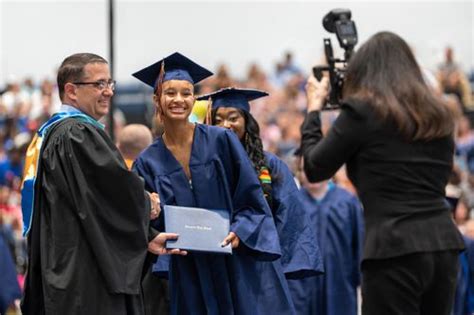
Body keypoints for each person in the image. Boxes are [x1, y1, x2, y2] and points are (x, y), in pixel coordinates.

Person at [300, 31, 465, 314]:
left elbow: (315, 168)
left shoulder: (362, 112)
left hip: (393, 248)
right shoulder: (439, 113)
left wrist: (314, 110)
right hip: (443, 244)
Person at [132, 52, 296, 314]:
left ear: (194, 99)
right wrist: (152, 228)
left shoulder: (221, 141)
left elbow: (250, 197)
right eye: (170, 93)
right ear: (156, 99)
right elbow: (146, 222)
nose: (178, 100)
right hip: (187, 269)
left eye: (186, 93)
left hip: (231, 261)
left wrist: (240, 231)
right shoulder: (147, 162)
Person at [20, 53, 183, 315]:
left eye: (110, 83)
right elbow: (114, 192)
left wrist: (147, 237)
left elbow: (92, 204)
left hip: (62, 269)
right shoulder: (77, 134)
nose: (108, 91)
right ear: (71, 91)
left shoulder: (51, 134)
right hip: (84, 275)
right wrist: (146, 203)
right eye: (98, 84)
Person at [198, 86, 323, 279]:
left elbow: (288, 212)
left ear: (246, 122)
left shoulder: (269, 164)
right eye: (218, 120)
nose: (225, 125)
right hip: (216, 259)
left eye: (233, 118)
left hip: (259, 263)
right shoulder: (202, 164)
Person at [287, 154, 364, 315]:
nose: (310, 173)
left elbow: (359, 246)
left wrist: (361, 280)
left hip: (340, 282)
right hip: (301, 287)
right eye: (304, 169)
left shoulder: (348, 202)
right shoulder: (292, 203)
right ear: (298, 173)